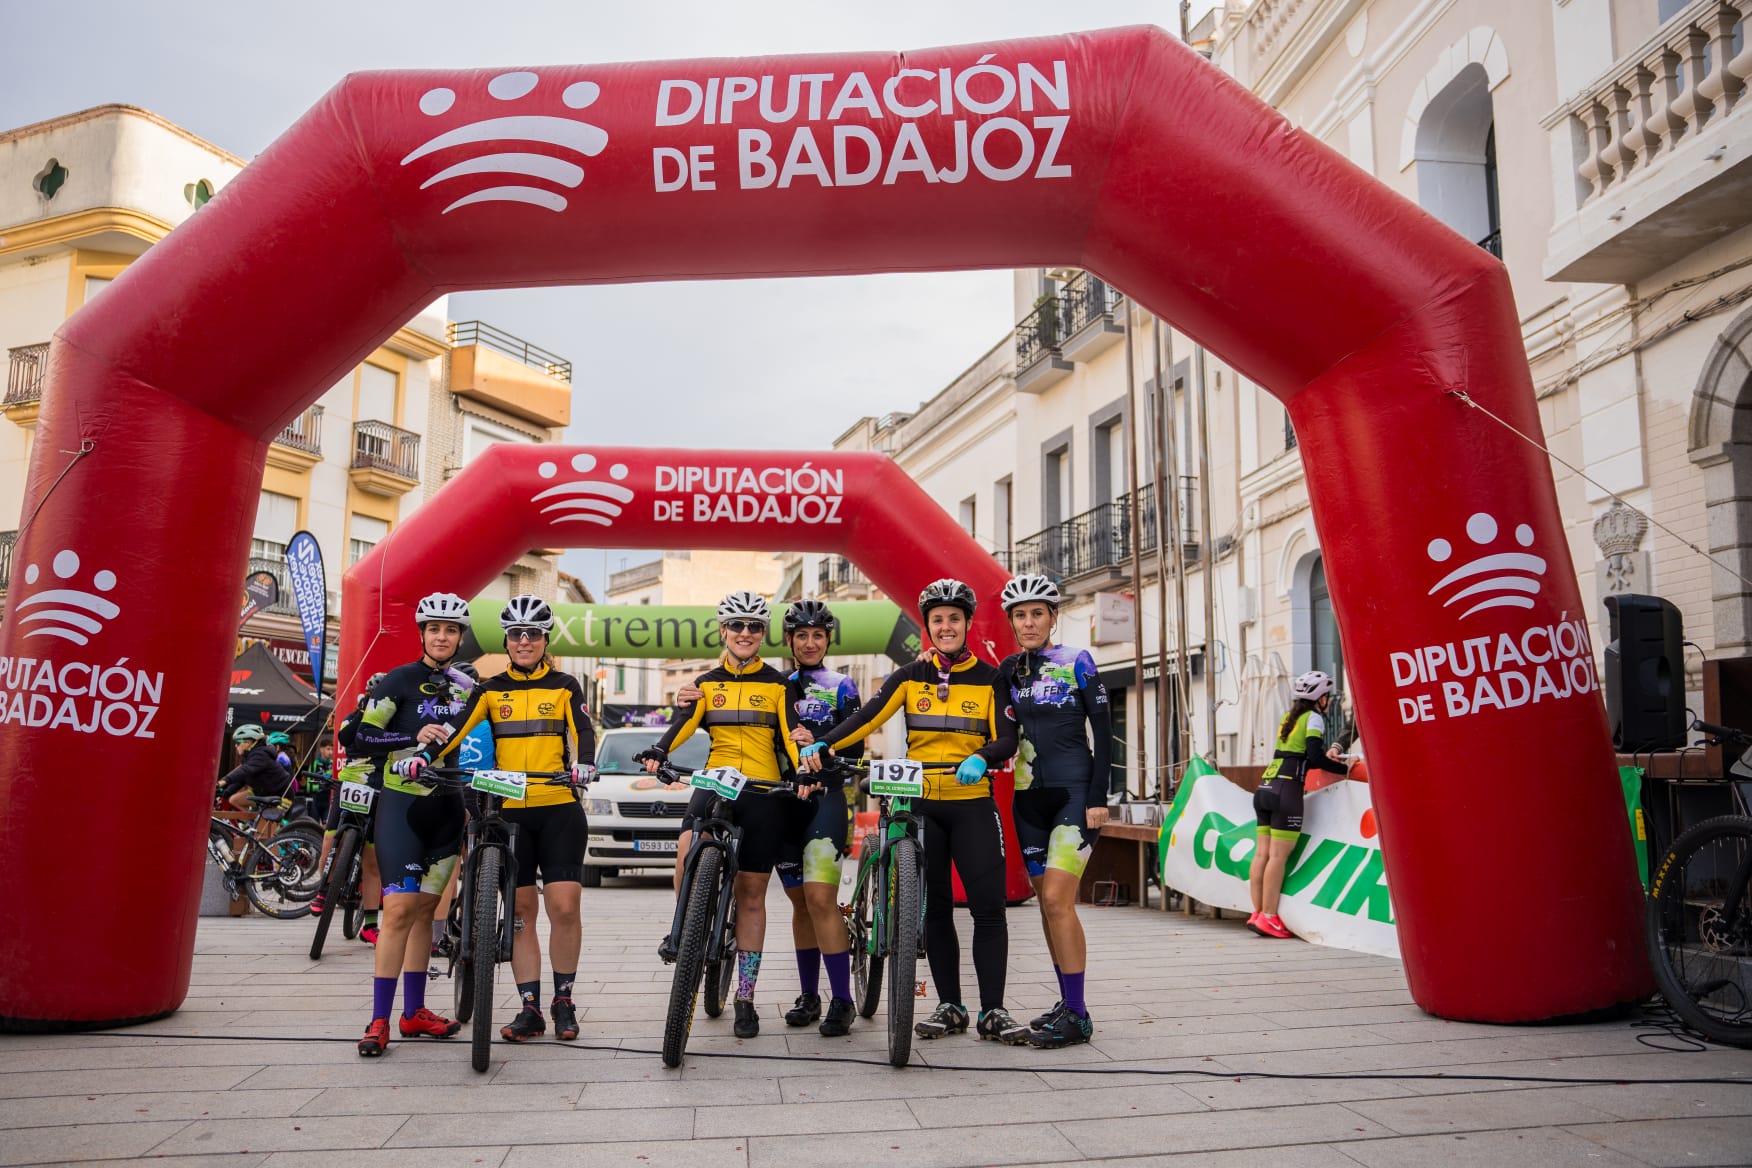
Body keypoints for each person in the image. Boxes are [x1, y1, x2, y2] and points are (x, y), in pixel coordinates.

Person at [803, 578, 1027, 1044]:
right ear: (927, 627)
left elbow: (1009, 738)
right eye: (937, 620)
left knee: (987, 910)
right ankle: (950, 1006)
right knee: (936, 910)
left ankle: (993, 1010)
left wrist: (982, 756)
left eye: (954, 619)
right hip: (922, 803)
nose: (946, 627)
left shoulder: (991, 678)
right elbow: (868, 715)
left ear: (967, 624)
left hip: (971, 805)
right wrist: (827, 742)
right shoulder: (909, 676)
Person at [410, 595, 597, 1045]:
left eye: (533, 634)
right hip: (508, 812)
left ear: (545, 639)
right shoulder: (490, 689)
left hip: (556, 805)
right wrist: (423, 756)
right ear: (508, 641)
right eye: (517, 634)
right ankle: (530, 1008)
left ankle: (564, 1000)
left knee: (565, 907)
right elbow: (455, 729)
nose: (525, 641)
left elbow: (583, 730)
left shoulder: (566, 684)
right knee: (521, 914)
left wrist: (585, 763)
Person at [638, 591, 808, 1040]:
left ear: (763, 634)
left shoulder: (777, 684)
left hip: (764, 791)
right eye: (738, 626)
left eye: (754, 626)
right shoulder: (705, 683)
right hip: (715, 782)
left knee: (752, 895)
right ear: (724, 632)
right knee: (684, 848)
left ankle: (746, 998)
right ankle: (685, 928)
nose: (746, 633)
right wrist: (658, 751)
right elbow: (683, 726)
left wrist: (807, 766)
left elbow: (791, 737)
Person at [348, 593, 474, 1056]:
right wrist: (410, 736)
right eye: (434, 629)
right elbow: (361, 736)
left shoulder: (468, 685)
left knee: (426, 910)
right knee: (399, 910)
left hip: (447, 806)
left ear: (461, 636)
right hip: (402, 804)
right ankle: (379, 1018)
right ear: (422, 633)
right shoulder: (399, 680)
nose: (442, 637)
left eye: (451, 630)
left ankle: (414, 1012)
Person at [996, 573, 1112, 1048]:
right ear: (1011, 622)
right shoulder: (1007, 670)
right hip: (1028, 800)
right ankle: (1067, 1003)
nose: (1028, 622)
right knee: (1046, 909)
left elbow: (1103, 733)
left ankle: (1080, 1015)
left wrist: (1100, 797)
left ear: (1052, 617)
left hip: (1074, 796)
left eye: (1036, 613)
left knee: (1058, 902)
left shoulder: (1077, 661)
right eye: (1020, 615)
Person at [772, 599, 863, 1036]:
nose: (810, 643)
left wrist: (822, 744)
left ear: (828, 640)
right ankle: (809, 995)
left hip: (826, 798)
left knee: (821, 899)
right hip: (784, 801)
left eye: (818, 635)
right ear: (789, 640)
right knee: (799, 902)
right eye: (802, 635)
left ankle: (842, 999)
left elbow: (857, 751)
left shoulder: (843, 686)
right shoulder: (774, 685)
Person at [1249, 670, 1350, 940]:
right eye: (1327, 695)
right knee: (1278, 857)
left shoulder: (1287, 717)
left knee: (1262, 854)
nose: (1328, 700)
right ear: (1321, 698)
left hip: (1266, 785)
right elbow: (1315, 758)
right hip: (1287, 788)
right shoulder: (1313, 718)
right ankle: (1270, 917)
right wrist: (1344, 769)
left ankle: (1257, 912)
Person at [218, 723, 292, 814]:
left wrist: (223, 781)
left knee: (264, 827)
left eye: (238, 743)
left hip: (282, 795)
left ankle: (259, 825)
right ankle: (251, 825)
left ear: (248, 743)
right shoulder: (249, 756)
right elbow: (243, 778)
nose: (235, 746)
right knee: (234, 800)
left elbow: (245, 770)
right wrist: (225, 793)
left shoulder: (261, 755)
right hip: (263, 793)